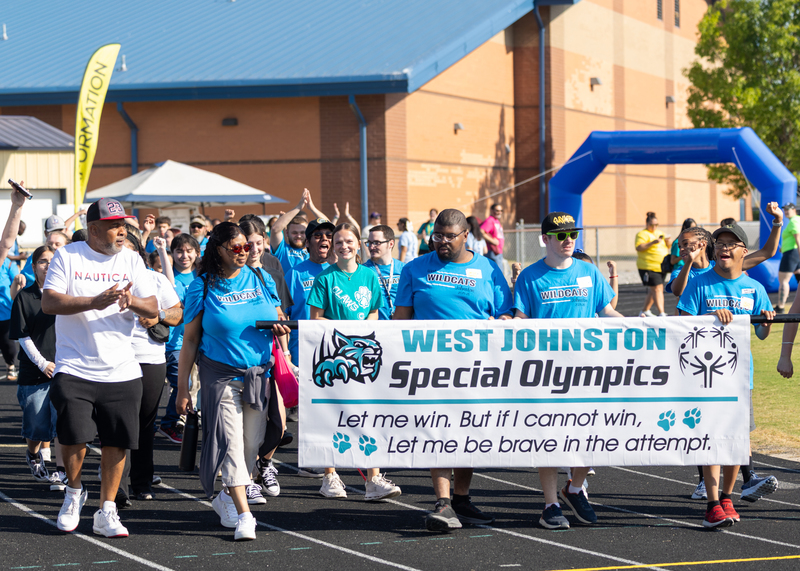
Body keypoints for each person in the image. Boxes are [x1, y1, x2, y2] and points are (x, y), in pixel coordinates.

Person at [42, 197, 158, 538]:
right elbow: (50, 302)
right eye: (114, 226)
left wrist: (130, 300)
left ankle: (107, 510)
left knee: (116, 442)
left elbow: (152, 308)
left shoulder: (133, 259)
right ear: (94, 229)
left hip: (122, 368)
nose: (122, 231)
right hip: (75, 366)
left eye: (124, 225)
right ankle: (74, 493)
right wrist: (94, 301)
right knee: (74, 438)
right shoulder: (68, 255)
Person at [394, 208, 512, 531]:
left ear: (465, 236)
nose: (442, 242)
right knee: (439, 431)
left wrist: (501, 323)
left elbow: (505, 314)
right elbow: (400, 320)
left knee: (468, 434)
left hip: (476, 369)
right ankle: (442, 502)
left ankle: (461, 499)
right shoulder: (415, 268)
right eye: (437, 236)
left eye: (449, 236)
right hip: (431, 370)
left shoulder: (488, 269)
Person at [176, 222, 289, 541]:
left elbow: (277, 315)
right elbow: (190, 340)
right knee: (230, 443)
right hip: (219, 375)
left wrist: (280, 328)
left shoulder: (261, 277)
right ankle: (244, 514)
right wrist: (183, 387)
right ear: (219, 250)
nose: (246, 252)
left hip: (258, 373)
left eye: (248, 247)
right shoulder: (203, 286)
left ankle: (226, 494)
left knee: (251, 444)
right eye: (237, 247)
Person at [514, 212, 623, 529]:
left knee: (592, 435)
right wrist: (503, 327)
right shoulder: (530, 277)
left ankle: (574, 488)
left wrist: (645, 326)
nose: (568, 240)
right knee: (548, 437)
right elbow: (520, 319)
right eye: (561, 235)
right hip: (546, 372)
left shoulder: (589, 272)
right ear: (545, 239)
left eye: (573, 234)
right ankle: (550, 505)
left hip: (588, 370)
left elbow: (607, 312)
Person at [677, 222, 774, 528]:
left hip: (740, 379)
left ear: (744, 252)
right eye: (720, 244)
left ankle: (728, 498)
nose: (724, 248)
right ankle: (712, 503)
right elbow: (682, 324)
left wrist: (767, 322)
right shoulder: (699, 283)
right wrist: (710, 318)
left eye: (732, 244)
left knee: (736, 441)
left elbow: (760, 334)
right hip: (705, 379)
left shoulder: (755, 289)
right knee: (711, 441)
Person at [307, 222, 401, 501]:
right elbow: (315, 317)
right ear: (333, 247)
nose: (344, 246)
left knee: (367, 415)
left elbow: (373, 313)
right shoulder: (325, 278)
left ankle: (373, 479)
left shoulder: (369, 276)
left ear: (357, 244)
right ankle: (330, 476)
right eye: (338, 242)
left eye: (348, 241)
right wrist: (347, 330)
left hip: (363, 355)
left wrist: (361, 336)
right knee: (332, 416)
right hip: (333, 355)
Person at [120, 232, 182, 502]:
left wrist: (157, 315)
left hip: (150, 359)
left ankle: (142, 481)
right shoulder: (106, 280)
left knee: (145, 424)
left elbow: (178, 314)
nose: (126, 255)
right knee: (119, 424)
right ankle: (117, 487)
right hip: (115, 360)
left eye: (131, 250)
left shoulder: (156, 279)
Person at [11, 245, 62, 488]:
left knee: (62, 423)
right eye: (43, 261)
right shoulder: (25, 297)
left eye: (52, 260)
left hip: (65, 370)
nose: (48, 265)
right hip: (35, 373)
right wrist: (42, 363)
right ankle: (33, 454)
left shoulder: (66, 294)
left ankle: (63, 472)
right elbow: (23, 336)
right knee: (37, 426)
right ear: (34, 267)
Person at [158, 234, 201, 445]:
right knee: (155, 389)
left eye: (189, 251)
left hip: (186, 343)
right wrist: (161, 250)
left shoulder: (202, 277)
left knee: (185, 383)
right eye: (179, 251)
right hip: (165, 342)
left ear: (196, 253)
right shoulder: (165, 276)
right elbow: (169, 283)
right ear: (172, 254)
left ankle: (169, 422)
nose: (184, 255)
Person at [363, 225, 405, 320]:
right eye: (369, 243)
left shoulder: (404, 269)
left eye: (376, 243)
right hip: (375, 328)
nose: (372, 247)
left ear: (390, 244)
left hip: (399, 326)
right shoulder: (363, 271)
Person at [635, 212, 672, 317]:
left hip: (661, 266)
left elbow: (667, 246)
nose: (654, 227)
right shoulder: (642, 234)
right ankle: (662, 312)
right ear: (647, 224)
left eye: (656, 225)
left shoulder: (660, 232)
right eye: (652, 225)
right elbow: (639, 247)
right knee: (657, 288)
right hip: (648, 266)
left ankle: (645, 310)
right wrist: (652, 242)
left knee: (654, 290)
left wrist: (668, 242)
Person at [269, 190, 317, 273]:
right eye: (294, 233)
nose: (298, 235)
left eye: (302, 232)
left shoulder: (314, 248)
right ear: (287, 233)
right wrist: (299, 207)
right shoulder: (282, 250)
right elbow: (275, 230)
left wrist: (312, 208)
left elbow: (329, 227)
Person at [776, 203, 800, 313]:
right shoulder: (795, 220)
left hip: (792, 254)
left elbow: (798, 238)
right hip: (793, 252)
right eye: (784, 209)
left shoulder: (794, 221)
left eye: (788, 209)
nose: (786, 211)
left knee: (783, 280)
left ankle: (780, 306)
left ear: (794, 209)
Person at [480, 203, 505, 268]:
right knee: (497, 272)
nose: (499, 212)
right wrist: (492, 241)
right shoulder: (490, 220)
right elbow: (481, 231)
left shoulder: (496, 220)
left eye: (501, 211)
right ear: (491, 210)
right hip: (492, 251)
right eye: (497, 210)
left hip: (498, 251)